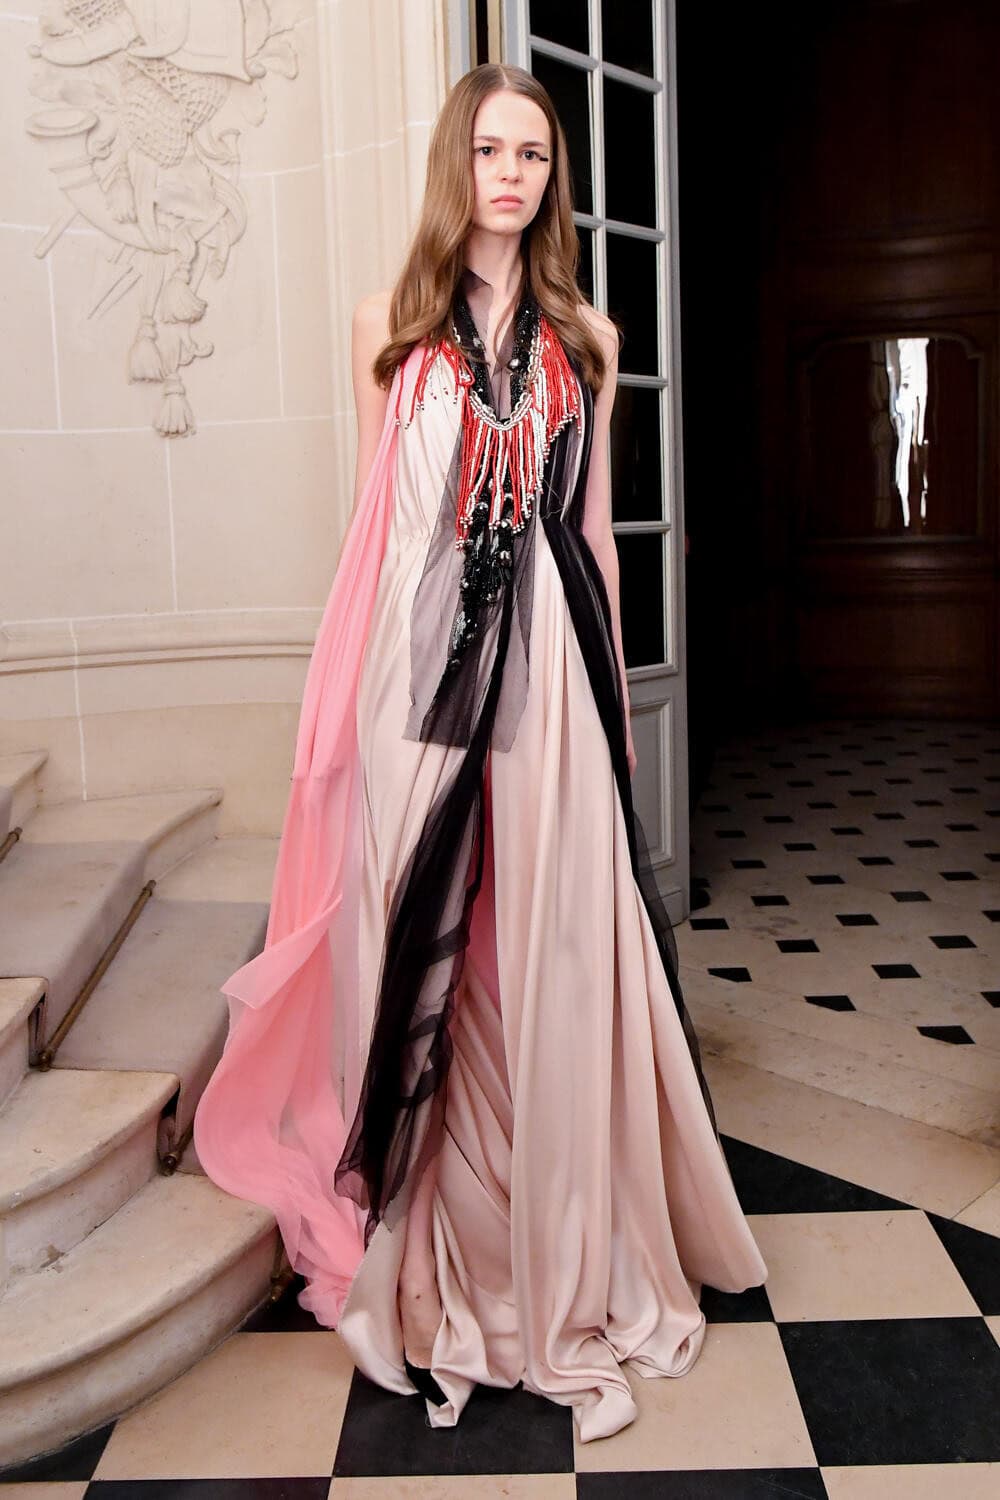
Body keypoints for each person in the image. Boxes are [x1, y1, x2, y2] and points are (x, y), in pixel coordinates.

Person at [193, 62, 767, 1444]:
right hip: (423, 678)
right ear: (457, 161)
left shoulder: (591, 336)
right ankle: (432, 1240)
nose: (511, 175)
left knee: (547, 947)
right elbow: (376, 535)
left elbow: (596, 534)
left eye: (534, 155)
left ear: (552, 176)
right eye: (492, 150)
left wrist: (614, 709)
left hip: (554, 674)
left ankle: (557, 1239)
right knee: (425, 939)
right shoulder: (387, 327)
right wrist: (344, 716)